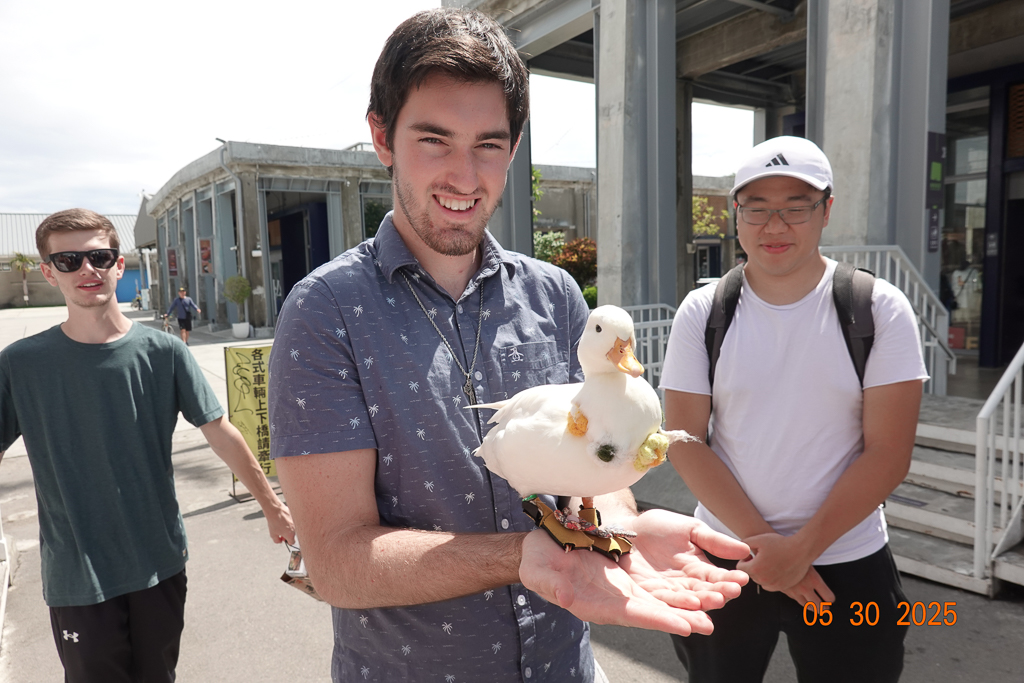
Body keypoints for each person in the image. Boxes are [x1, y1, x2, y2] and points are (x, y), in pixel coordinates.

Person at [268, 8, 749, 682]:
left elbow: (597, 465)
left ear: (514, 146)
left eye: (488, 145)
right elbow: (336, 562)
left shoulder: (555, 296)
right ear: (382, 135)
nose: (465, 177)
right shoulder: (326, 312)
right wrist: (521, 556)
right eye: (434, 140)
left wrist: (618, 527)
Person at [659, 136, 929, 683]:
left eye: (796, 207)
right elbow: (684, 441)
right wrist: (770, 553)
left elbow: (888, 452)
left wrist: (801, 550)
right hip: (724, 555)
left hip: (847, 558)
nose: (774, 226)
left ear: (826, 210)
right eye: (757, 208)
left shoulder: (877, 308)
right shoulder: (704, 310)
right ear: (737, 215)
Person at [0, 208, 296, 682]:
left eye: (99, 256)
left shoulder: (164, 352)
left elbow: (220, 430)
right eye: (69, 260)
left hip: (159, 562)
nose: (87, 269)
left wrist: (273, 506)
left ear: (119, 264)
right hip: (77, 575)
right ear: (49, 272)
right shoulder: (20, 364)